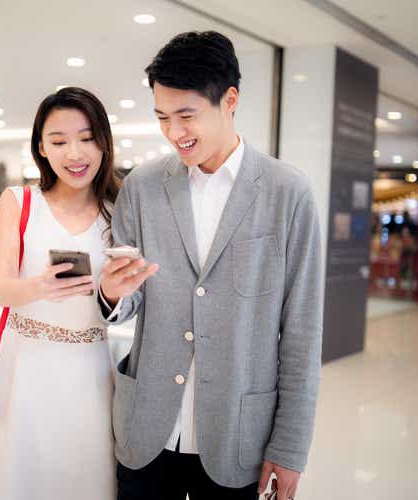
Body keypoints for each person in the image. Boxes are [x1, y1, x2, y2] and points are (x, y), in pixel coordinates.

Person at [98, 31, 324, 500]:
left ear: (230, 100)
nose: (173, 132)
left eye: (187, 115)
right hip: (147, 431)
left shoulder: (288, 194)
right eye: (162, 117)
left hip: (238, 438)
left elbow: (302, 332)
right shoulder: (141, 187)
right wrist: (114, 294)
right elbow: (128, 300)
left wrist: (290, 448)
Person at [0, 87, 121, 500]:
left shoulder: (118, 210)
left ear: (104, 142)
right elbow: (4, 289)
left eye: (87, 138)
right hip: (26, 367)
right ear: (41, 148)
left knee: (84, 477)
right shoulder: (19, 201)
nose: (75, 153)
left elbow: (125, 302)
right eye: (59, 141)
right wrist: (42, 286)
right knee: (19, 477)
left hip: (90, 370)